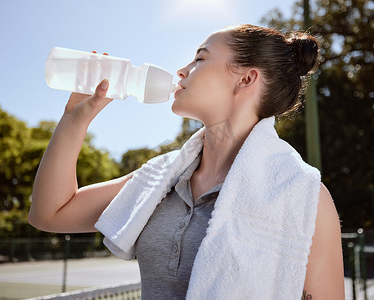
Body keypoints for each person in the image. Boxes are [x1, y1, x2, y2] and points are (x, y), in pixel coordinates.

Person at [29, 24, 345, 299]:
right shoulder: (159, 179)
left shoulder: (303, 196)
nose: (181, 71)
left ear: (246, 79)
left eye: (200, 58)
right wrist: (74, 118)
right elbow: (50, 213)